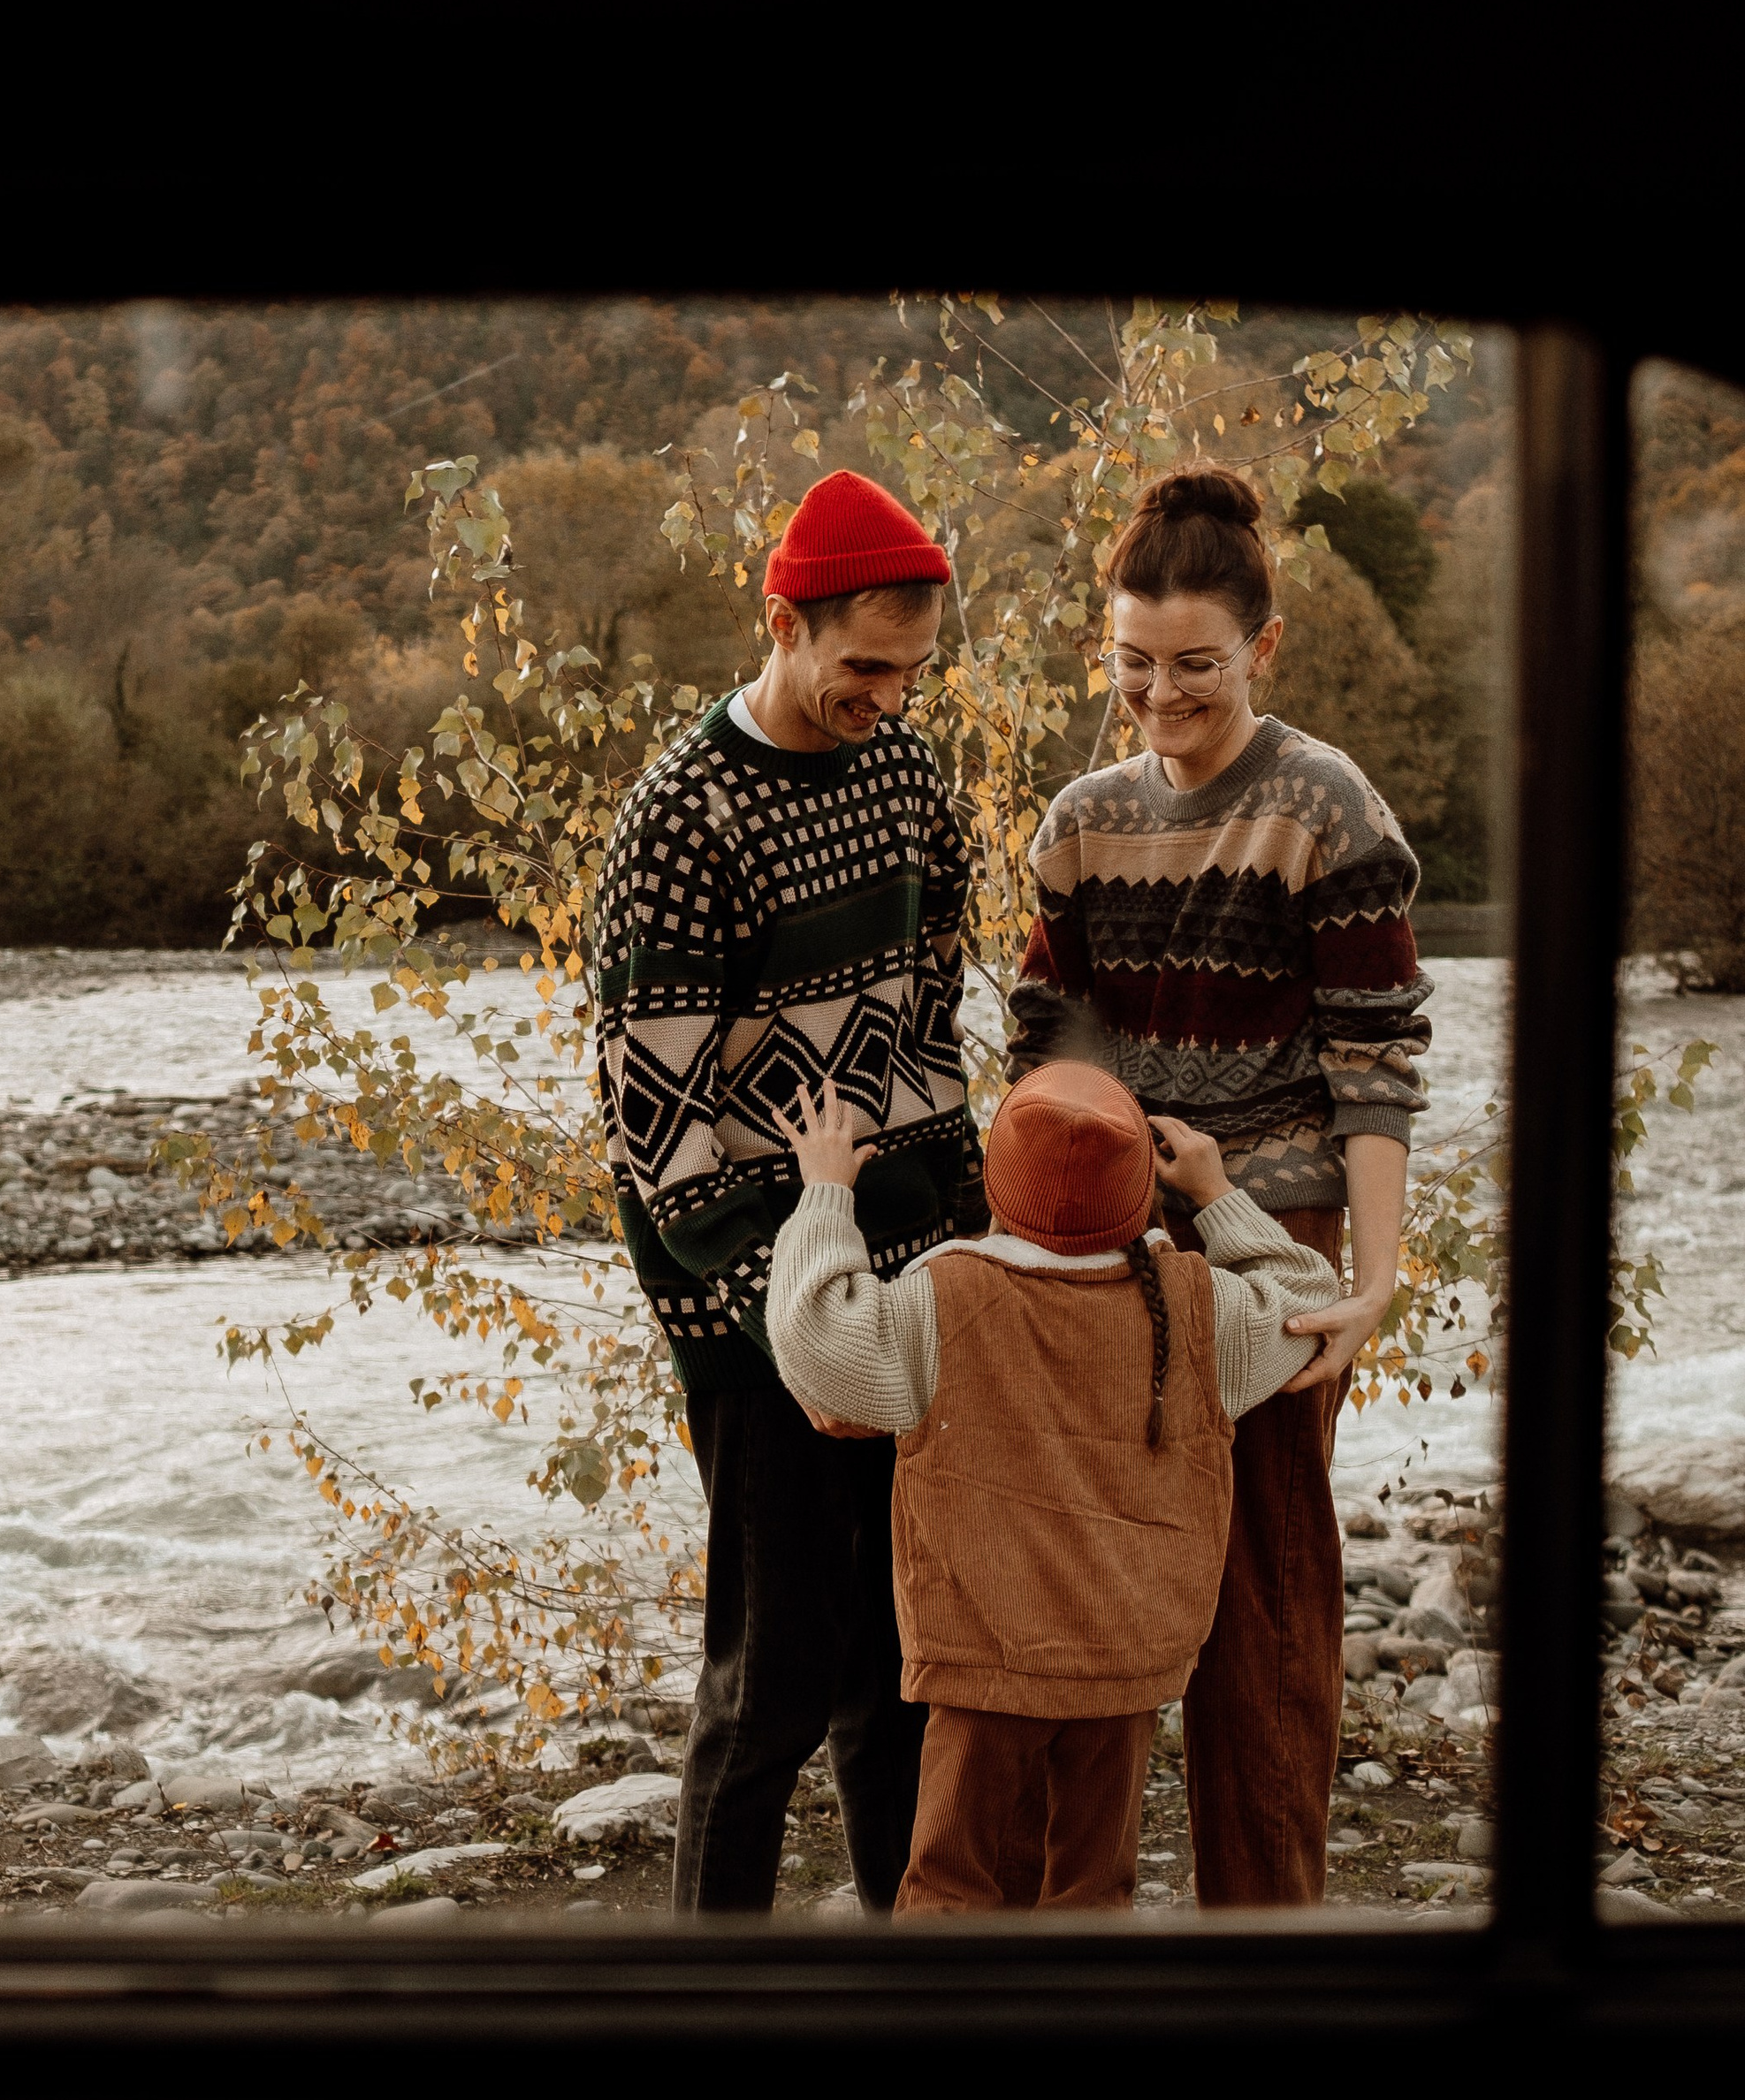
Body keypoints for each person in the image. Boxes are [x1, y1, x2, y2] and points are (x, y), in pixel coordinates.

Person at [1005, 467, 1432, 1906]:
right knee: (1091, 1572)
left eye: (1195, 664)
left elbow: (1377, 1068)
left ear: (1264, 643)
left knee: (1260, 1596)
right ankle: (1084, 1921)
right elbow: (1042, 1063)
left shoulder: (1326, 809)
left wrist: (1367, 1290)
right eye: (1134, 665)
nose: (1162, 696)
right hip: (1108, 1234)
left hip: (1280, 1237)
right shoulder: (1075, 826)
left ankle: (1266, 1933)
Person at [593, 466, 983, 1914]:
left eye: (912, 669)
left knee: (904, 1672)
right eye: (864, 666)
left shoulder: (906, 774)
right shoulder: (683, 824)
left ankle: (906, 1966)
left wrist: (973, 1249)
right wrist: (797, 1329)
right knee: (769, 1681)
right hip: (749, 1307)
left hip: (919, 1281)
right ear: (783, 623)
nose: (887, 694)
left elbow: (929, 1014)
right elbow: (662, 1136)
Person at [764, 1063, 1342, 1912]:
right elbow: (1306, 1297)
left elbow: (813, 1338)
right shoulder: (1196, 1306)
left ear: (998, 1189)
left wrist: (824, 1196)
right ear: (1141, 1193)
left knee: (953, 1881)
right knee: (1093, 1887)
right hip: (1127, 1662)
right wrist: (1216, 1194)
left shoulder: (942, 1298)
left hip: (983, 1660)